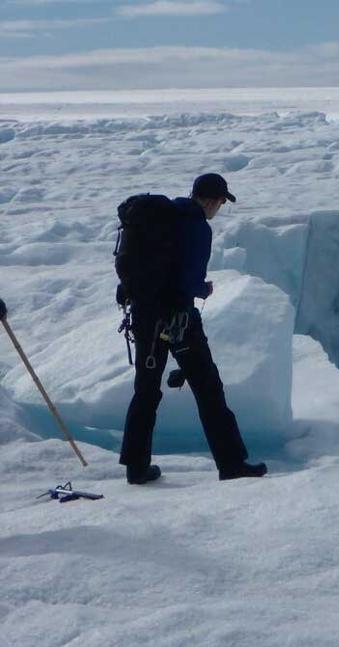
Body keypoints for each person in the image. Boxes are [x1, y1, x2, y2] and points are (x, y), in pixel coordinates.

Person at [119, 173, 267, 484]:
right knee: (209, 389)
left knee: (146, 391)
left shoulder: (161, 218)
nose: (219, 208)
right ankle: (232, 464)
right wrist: (201, 289)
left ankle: (136, 467)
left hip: (145, 315)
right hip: (178, 320)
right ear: (212, 200)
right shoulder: (197, 226)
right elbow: (187, 279)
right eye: (222, 202)